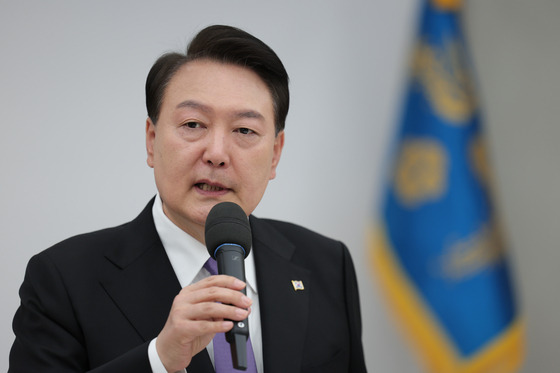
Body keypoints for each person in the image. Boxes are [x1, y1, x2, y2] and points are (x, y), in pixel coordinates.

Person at [9, 25, 367, 373]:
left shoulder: (326, 265)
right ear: (151, 140)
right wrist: (159, 361)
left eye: (244, 130)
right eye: (194, 124)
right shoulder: (64, 279)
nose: (216, 153)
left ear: (275, 153)